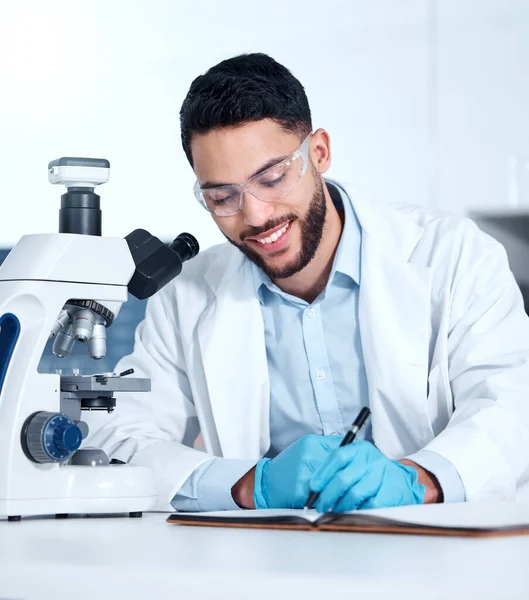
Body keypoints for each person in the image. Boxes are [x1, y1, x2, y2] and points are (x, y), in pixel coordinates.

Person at [86, 53, 529, 512]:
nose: (255, 215)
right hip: (270, 569)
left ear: (319, 152)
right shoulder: (187, 296)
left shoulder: (454, 256)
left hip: (443, 566)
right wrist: (248, 485)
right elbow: (119, 434)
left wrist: (418, 480)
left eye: (272, 177)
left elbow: (514, 407)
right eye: (222, 196)